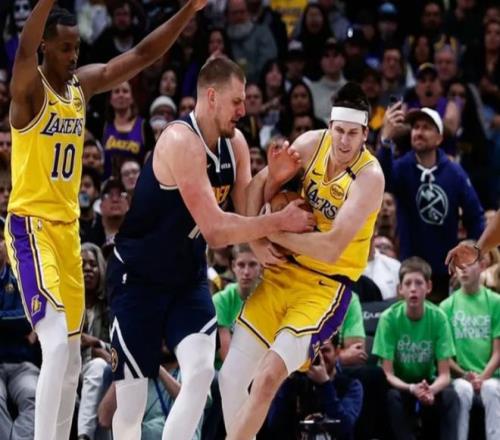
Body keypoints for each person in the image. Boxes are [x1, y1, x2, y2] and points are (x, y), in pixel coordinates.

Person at [4, 0, 211, 438]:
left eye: (77, 47)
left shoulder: (80, 87)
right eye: (65, 48)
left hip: (67, 232)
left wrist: (187, 11)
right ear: (45, 47)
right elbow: (23, 49)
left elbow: (141, 55)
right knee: (55, 346)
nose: (73, 56)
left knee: (71, 359)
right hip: (31, 228)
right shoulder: (30, 90)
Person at [108, 57, 315, 440]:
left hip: (186, 278)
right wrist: (277, 222)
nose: (244, 110)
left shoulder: (235, 143)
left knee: (202, 372)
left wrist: (274, 182)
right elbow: (217, 231)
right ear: (212, 96)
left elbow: (247, 210)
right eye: (237, 101)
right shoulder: (180, 141)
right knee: (132, 403)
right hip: (138, 279)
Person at [219, 82, 385, 439]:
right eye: (339, 130)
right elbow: (254, 187)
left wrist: (273, 230)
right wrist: (257, 241)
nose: (344, 141)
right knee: (229, 379)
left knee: (267, 378)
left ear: (365, 135)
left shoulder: (370, 178)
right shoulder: (311, 143)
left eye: (353, 134)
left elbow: (331, 247)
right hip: (282, 273)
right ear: (330, 125)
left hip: (324, 288)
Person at [379, 105, 484, 301]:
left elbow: (475, 217)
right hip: (410, 269)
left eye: (426, 127)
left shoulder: (454, 172)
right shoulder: (402, 168)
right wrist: (385, 141)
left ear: (439, 138)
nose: (419, 132)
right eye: (416, 127)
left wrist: (469, 259)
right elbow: (381, 180)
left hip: (444, 271)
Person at [372, 257, 459, 440]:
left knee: (451, 396)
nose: (413, 288)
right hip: (400, 384)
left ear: (429, 287)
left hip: (428, 383)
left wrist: (430, 390)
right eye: (408, 283)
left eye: (419, 283)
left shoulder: (439, 318)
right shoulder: (388, 318)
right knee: (391, 397)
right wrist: (411, 388)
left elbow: (444, 375)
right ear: (400, 289)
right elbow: (387, 374)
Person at [440, 241, 500, 440]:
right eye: (459, 264)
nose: (463, 269)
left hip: (492, 376)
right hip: (460, 377)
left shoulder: (496, 302)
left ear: (482, 265)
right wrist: (465, 375)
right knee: (463, 390)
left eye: (469, 263)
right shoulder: (446, 307)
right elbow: (445, 357)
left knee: (491, 388)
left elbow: (498, 353)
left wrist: (482, 378)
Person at [267, 335, 363, 440]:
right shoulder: (294, 383)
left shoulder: (351, 386)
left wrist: (325, 385)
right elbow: (274, 426)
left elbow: (344, 426)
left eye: (325, 350)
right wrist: (288, 382)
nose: (319, 356)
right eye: (314, 351)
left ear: (337, 352)